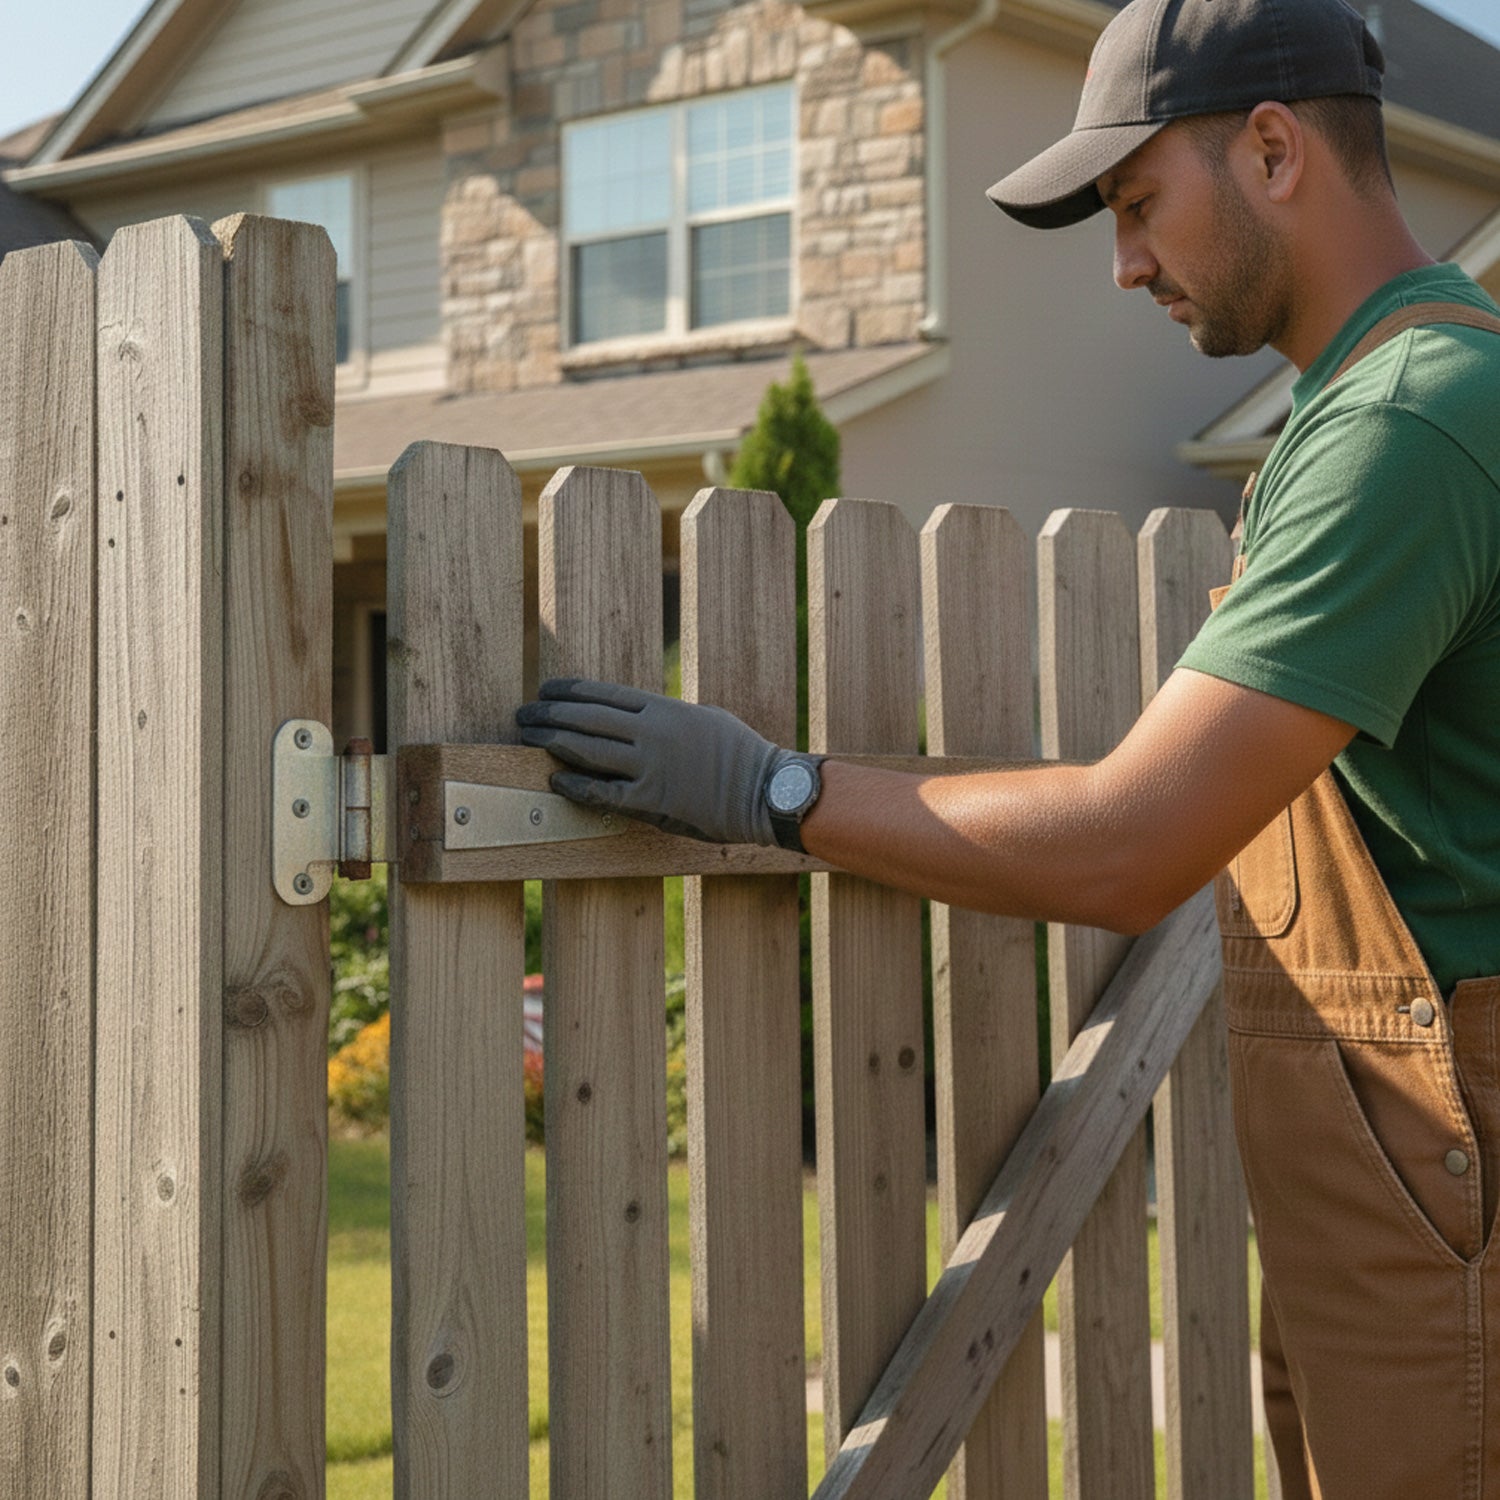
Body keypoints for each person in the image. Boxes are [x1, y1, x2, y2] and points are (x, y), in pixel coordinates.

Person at [517, 0, 1500, 1491]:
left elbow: (1128, 840)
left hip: (1448, 1181)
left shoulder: (1407, 425)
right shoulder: (1382, 401)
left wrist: (770, 792)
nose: (1123, 264)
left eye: (1137, 204)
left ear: (1277, 148)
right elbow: (1157, 777)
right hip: (1392, 1179)